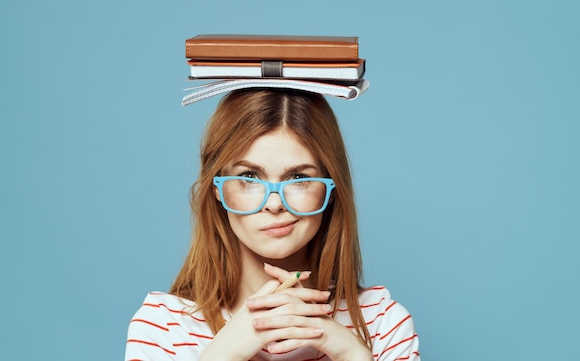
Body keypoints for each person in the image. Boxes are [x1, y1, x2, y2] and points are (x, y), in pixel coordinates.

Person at [125, 89, 420, 361]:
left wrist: (353, 354)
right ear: (217, 188)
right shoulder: (164, 326)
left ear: (331, 189)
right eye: (250, 177)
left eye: (298, 178)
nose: (275, 203)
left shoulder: (382, 322)